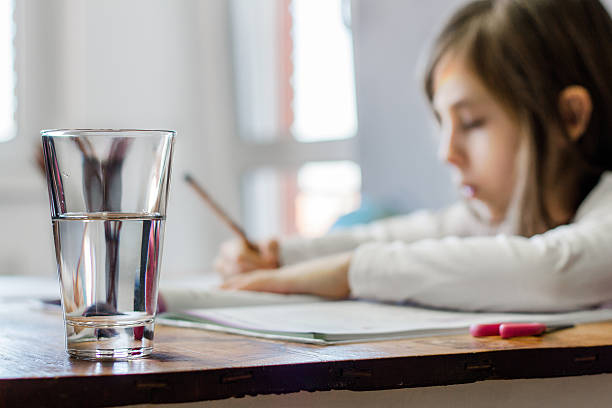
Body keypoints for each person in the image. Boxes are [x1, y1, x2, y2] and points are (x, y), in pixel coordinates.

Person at [214, 0, 612, 312]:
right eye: (443, 123)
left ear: (569, 116)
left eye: (472, 123)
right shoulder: (497, 216)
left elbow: (553, 272)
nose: (447, 153)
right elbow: (419, 234)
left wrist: (352, 273)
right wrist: (281, 255)